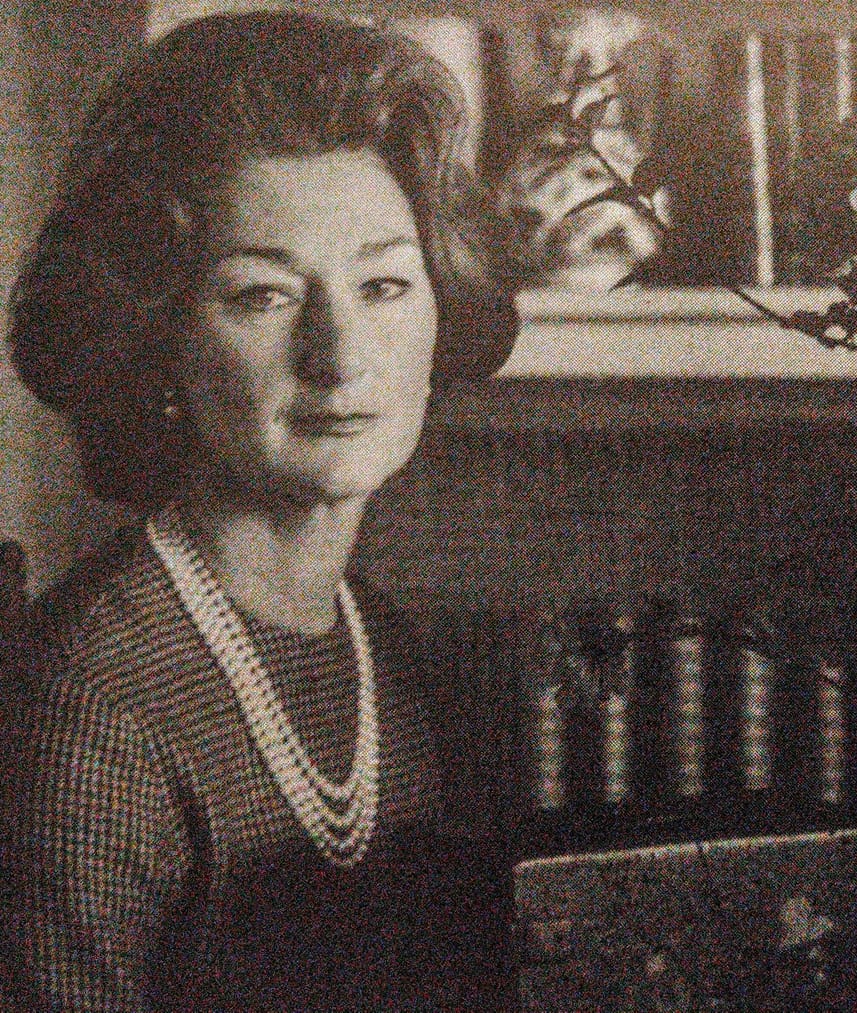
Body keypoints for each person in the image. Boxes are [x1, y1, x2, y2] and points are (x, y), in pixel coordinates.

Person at [0, 11, 519, 1011]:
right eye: (263, 296)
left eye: (384, 284)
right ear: (155, 337)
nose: (340, 355)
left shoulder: (385, 649)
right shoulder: (96, 704)